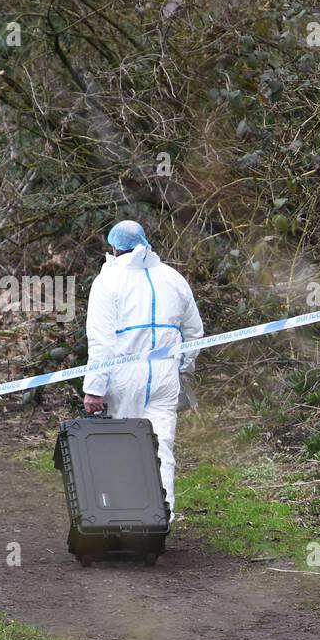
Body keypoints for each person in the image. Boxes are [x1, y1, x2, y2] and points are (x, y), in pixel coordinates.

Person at [83, 220, 203, 519]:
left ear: (113, 248)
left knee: (123, 449)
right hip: (165, 378)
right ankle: (161, 518)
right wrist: (184, 369)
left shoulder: (107, 282)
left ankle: (122, 519)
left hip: (124, 380)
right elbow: (195, 332)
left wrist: (94, 388)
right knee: (162, 449)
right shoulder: (173, 278)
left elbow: (101, 342)